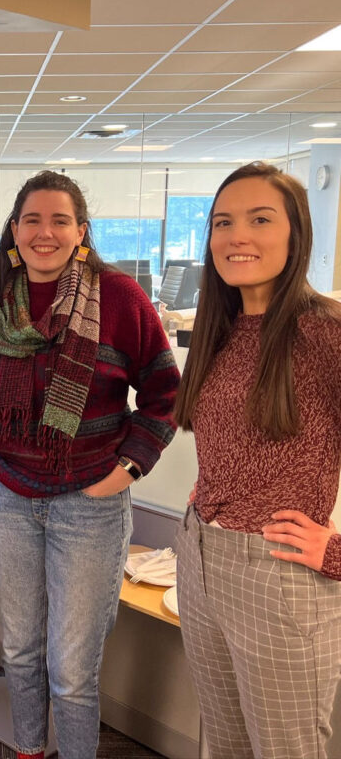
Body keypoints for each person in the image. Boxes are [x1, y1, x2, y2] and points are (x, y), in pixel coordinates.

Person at [0, 170, 179, 759]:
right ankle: (29, 750)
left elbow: (165, 395)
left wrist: (127, 469)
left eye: (60, 220)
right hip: (9, 498)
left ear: (81, 231)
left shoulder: (119, 298)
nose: (45, 232)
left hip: (89, 507)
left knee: (73, 672)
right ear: (14, 229)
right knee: (21, 652)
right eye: (32, 219)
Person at [174, 162, 341, 759]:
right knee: (223, 744)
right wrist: (215, 486)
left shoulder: (326, 333)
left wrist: (337, 552)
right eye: (223, 222)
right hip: (200, 558)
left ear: (296, 235)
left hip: (278, 574)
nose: (236, 236)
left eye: (260, 219)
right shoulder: (218, 328)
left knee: (286, 750)